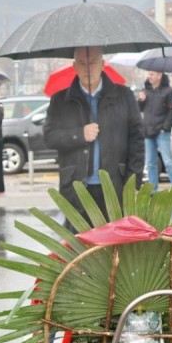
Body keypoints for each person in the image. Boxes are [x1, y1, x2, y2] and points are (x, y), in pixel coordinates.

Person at [44, 46, 144, 224]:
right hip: (76, 186)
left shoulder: (123, 96)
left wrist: (133, 183)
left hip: (115, 184)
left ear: (102, 64)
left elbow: (136, 141)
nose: (88, 68)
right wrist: (79, 134)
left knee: (114, 245)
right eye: (82, 63)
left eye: (92, 63)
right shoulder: (60, 100)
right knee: (79, 246)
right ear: (74, 66)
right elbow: (50, 137)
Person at [138, 70, 172, 191]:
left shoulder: (169, 91)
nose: (149, 76)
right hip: (148, 132)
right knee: (150, 163)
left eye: (152, 74)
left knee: (168, 161)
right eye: (149, 74)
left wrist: (165, 127)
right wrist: (141, 100)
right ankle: (153, 191)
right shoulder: (146, 91)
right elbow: (139, 109)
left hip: (161, 132)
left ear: (160, 76)